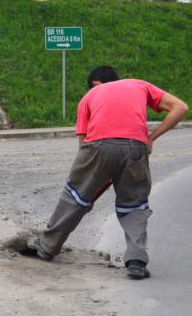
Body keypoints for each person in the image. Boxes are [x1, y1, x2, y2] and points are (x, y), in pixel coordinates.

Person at [24, 66, 188, 280]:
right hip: (136, 147)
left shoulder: (90, 96)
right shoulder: (140, 85)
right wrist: (151, 137)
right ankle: (136, 261)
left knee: (74, 196)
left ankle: (46, 246)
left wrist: (87, 193)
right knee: (134, 203)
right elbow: (181, 108)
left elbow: (84, 149)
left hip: (97, 146)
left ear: (95, 84)